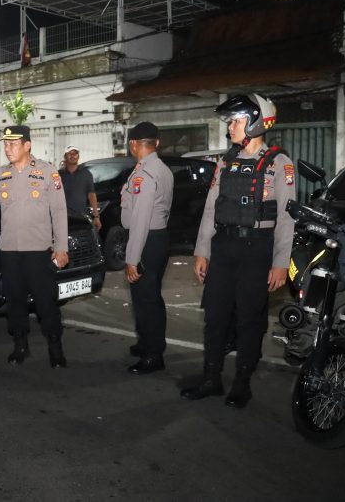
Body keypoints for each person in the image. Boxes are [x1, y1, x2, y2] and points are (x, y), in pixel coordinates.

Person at [182, 93, 296, 408]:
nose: (230, 127)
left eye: (235, 120)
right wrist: (202, 250)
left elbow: (287, 217)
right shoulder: (225, 161)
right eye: (230, 121)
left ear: (255, 121)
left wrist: (280, 263)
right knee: (215, 317)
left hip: (258, 249)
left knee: (249, 319)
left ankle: (242, 383)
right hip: (225, 247)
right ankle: (211, 378)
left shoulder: (279, 164)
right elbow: (210, 209)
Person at [0, 126, 69, 367]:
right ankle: (20, 345)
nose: (7, 148)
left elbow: (59, 211)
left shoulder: (47, 172)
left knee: (45, 300)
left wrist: (61, 247)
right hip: (10, 250)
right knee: (14, 300)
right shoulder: (1, 174)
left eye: (13, 144)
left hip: (37, 250)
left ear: (27, 145)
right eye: (5, 144)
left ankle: (55, 348)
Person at [120, 122, 174, 374]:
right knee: (149, 297)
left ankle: (153, 356)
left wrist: (132, 258)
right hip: (157, 238)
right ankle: (148, 344)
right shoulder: (161, 169)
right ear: (156, 143)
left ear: (133, 144)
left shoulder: (144, 174)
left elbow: (140, 218)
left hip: (146, 239)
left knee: (146, 300)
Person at [59, 145, 101, 231]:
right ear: (65, 156)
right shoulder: (58, 175)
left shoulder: (86, 174)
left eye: (75, 154)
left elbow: (92, 196)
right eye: (70, 154)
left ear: (78, 156)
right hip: (62, 218)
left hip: (81, 218)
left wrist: (96, 217)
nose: (73, 156)